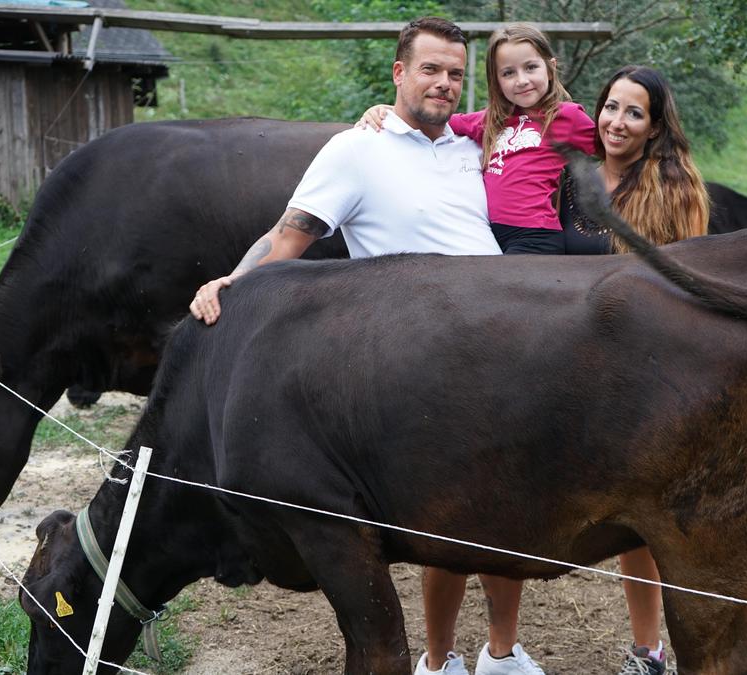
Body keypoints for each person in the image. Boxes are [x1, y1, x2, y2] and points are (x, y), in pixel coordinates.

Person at [189, 16, 545, 675]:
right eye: (431, 69)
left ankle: (503, 652)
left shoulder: (473, 147)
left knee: (508, 505)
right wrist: (235, 285)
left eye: (455, 75)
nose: (444, 83)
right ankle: (439, 662)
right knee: (452, 517)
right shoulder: (356, 149)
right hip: (418, 361)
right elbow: (289, 236)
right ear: (399, 73)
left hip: (506, 346)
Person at [560, 65, 710, 675]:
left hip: (640, 370)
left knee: (644, 524)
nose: (617, 122)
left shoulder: (676, 190)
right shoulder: (567, 177)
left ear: (654, 128)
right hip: (563, 359)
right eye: (611, 107)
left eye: (634, 113)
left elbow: (687, 289)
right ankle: (502, 645)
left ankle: (650, 653)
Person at [357, 23, 596, 255]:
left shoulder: (567, 116)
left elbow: (610, 146)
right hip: (492, 235)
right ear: (497, 80)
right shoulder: (490, 120)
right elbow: (434, 118)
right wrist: (385, 109)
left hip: (535, 236)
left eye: (531, 67)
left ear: (550, 68)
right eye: (508, 73)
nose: (521, 80)